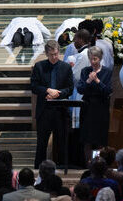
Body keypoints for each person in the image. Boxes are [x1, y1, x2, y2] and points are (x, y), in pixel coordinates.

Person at [31, 39, 74, 168]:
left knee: (61, 142)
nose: (54, 57)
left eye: (56, 54)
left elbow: (70, 88)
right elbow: (34, 86)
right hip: (44, 111)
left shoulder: (66, 67)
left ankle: (61, 169)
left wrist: (58, 93)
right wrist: (47, 90)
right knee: (42, 144)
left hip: (60, 110)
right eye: (51, 55)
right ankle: (38, 170)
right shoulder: (39, 66)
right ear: (46, 53)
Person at [77, 46, 112, 156]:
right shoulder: (85, 71)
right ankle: (88, 165)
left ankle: (99, 164)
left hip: (101, 107)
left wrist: (97, 81)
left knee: (100, 139)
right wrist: (88, 81)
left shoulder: (107, 72)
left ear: (100, 58)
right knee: (87, 140)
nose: (92, 61)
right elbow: (80, 89)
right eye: (90, 59)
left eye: (95, 59)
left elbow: (108, 91)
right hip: (87, 108)